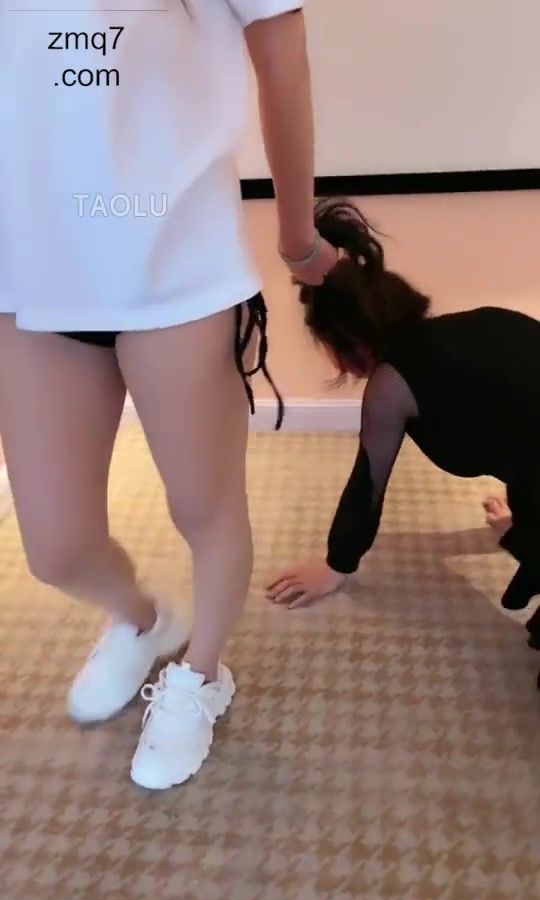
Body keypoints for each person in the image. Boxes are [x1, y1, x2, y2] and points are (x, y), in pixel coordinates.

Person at [0, 2, 337, 790]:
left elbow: (282, 62)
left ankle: (203, 673)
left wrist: (297, 236)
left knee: (204, 508)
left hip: (176, 259)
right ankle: (146, 621)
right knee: (55, 548)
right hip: (30, 269)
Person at [267, 198, 540, 651]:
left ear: (347, 344)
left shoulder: (392, 386)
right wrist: (523, 523)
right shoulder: (488, 321)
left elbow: (368, 485)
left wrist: (336, 565)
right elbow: (521, 423)